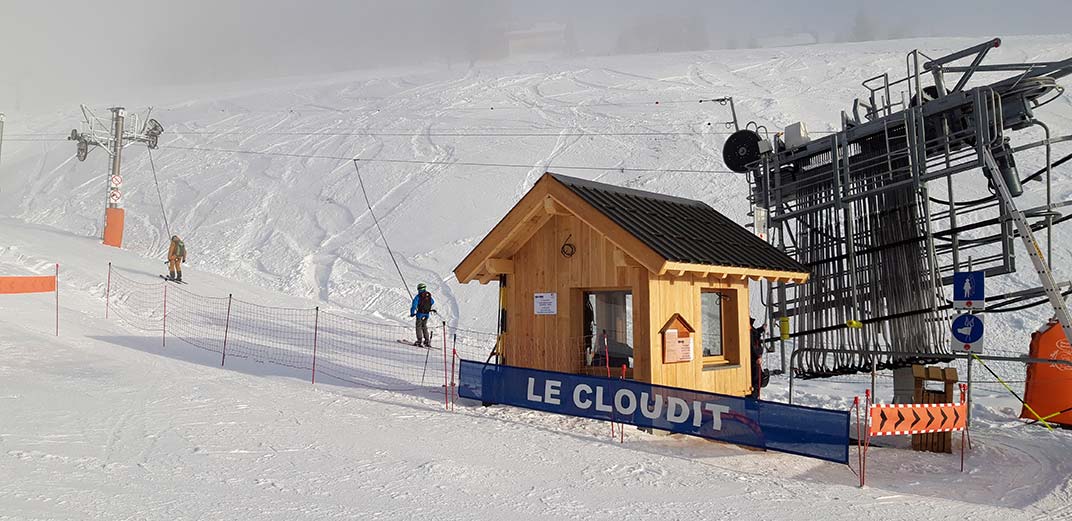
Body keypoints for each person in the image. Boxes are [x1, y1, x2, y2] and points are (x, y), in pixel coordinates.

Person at [749, 318, 765, 399]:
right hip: (753, 359)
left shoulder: (750, 329)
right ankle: (754, 400)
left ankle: (754, 398)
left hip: (753, 358)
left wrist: (761, 329)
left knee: (757, 379)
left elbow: (755, 333)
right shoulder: (749, 331)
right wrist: (758, 355)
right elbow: (753, 346)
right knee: (756, 380)